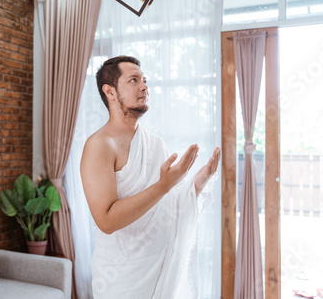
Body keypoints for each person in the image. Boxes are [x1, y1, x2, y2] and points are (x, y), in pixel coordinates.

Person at [80, 55, 221, 298]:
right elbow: (106, 221)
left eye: (145, 81)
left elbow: (168, 204)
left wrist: (197, 182)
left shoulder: (154, 143)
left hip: (158, 268)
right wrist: (164, 185)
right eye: (134, 80)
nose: (144, 87)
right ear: (110, 92)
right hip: (121, 277)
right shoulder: (98, 146)